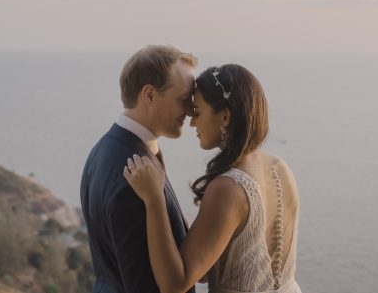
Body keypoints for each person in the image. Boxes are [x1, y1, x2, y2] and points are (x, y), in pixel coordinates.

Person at [124, 64, 301, 293]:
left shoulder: (228, 188)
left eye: (197, 112)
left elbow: (174, 285)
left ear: (225, 116)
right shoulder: (280, 167)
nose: (192, 123)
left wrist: (154, 198)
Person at [81, 45, 198, 293]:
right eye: (184, 99)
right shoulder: (132, 177)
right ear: (150, 95)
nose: (190, 110)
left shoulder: (102, 150)